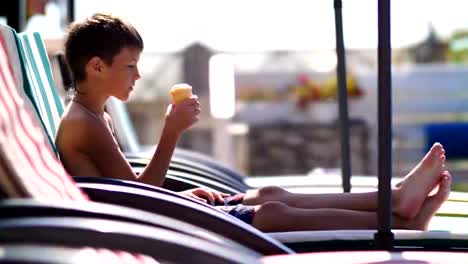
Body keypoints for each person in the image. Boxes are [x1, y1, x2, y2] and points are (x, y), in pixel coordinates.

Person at [56, 13, 451, 232]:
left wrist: (182, 195)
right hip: (156, 227)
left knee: (272, 193)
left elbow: (129, 188)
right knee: (277, 214)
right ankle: (402, 218)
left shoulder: (94, 114)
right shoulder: (83, 124)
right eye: (129, 67)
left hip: (161, 212)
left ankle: (397, 203)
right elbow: (137, 193)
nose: (137, 77)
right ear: (96, 66)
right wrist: (170, 134)